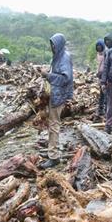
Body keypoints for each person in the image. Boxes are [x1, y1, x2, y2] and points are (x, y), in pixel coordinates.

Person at [39, 33, 74, 169]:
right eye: (51, 44)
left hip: (59, 95)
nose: (52, 47)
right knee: (52, 123)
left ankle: (54, 157)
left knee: (54, 124)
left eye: (54, 44)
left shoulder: (64, 58)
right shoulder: (58, 56)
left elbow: (66, 78)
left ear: (59, 44)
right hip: (55, 93)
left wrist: (48, 75)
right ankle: (51, 150)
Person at [95, 38, 107, 118]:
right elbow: (98, 65)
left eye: (100, 46)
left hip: (105, 76)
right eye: (97, 46)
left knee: (105, 93)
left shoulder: (106, 53)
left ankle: (106, 110)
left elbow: (106, 66)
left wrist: (102, 74)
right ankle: (101, 109)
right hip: (100, 76)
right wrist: (97, 73)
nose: (99, 47)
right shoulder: (98, 54)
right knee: (101, 94)